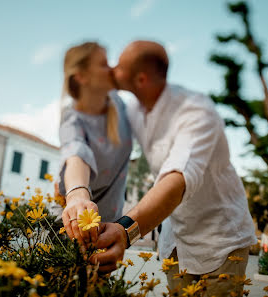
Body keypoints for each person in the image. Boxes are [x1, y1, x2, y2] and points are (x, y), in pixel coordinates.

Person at [92, 40, 257, 296]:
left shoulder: (196, 111)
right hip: (177, 243)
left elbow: (177, 179)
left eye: (119, 67)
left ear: (141, 79)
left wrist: (125, 230)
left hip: (221, 242)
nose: (113, 70)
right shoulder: (134, 109)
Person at [57, 41, 132, 246]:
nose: (112, 69)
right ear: (81, 76)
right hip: (73, 225)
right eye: (104, 64)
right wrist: (77, 196)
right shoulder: (71, 118)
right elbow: (76, 154)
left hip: (110, 228)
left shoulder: (119, 103)